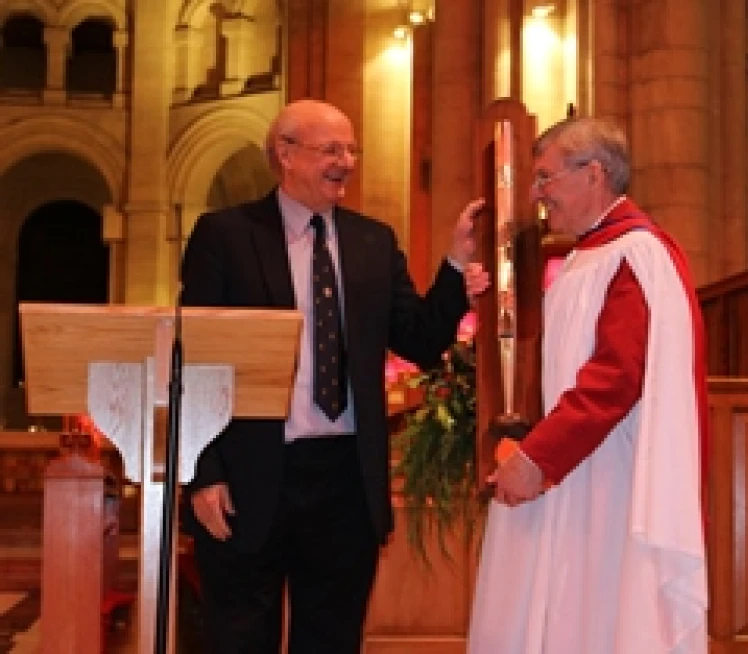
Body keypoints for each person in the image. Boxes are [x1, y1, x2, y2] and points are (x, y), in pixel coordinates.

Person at [180, 99, 489, 653]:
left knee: (332, 641)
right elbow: (195, 359)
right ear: (285, 154)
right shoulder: (225, 235)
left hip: (345, 481)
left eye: (351, 150)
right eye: (331, 150)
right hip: (248, 478)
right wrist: (203, 473)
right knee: (239, 639)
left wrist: (454, 263)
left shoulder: (372, 241)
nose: (345, 161)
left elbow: (418, 340)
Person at [467, 117, 709, 654]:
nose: (536, 194)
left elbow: (617, 377)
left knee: (605, 615)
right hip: (578, 466)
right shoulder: (586, 257)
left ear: (594, 173)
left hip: (613, 474)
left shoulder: (637, 255)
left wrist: (537, 458)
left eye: (546, 178)